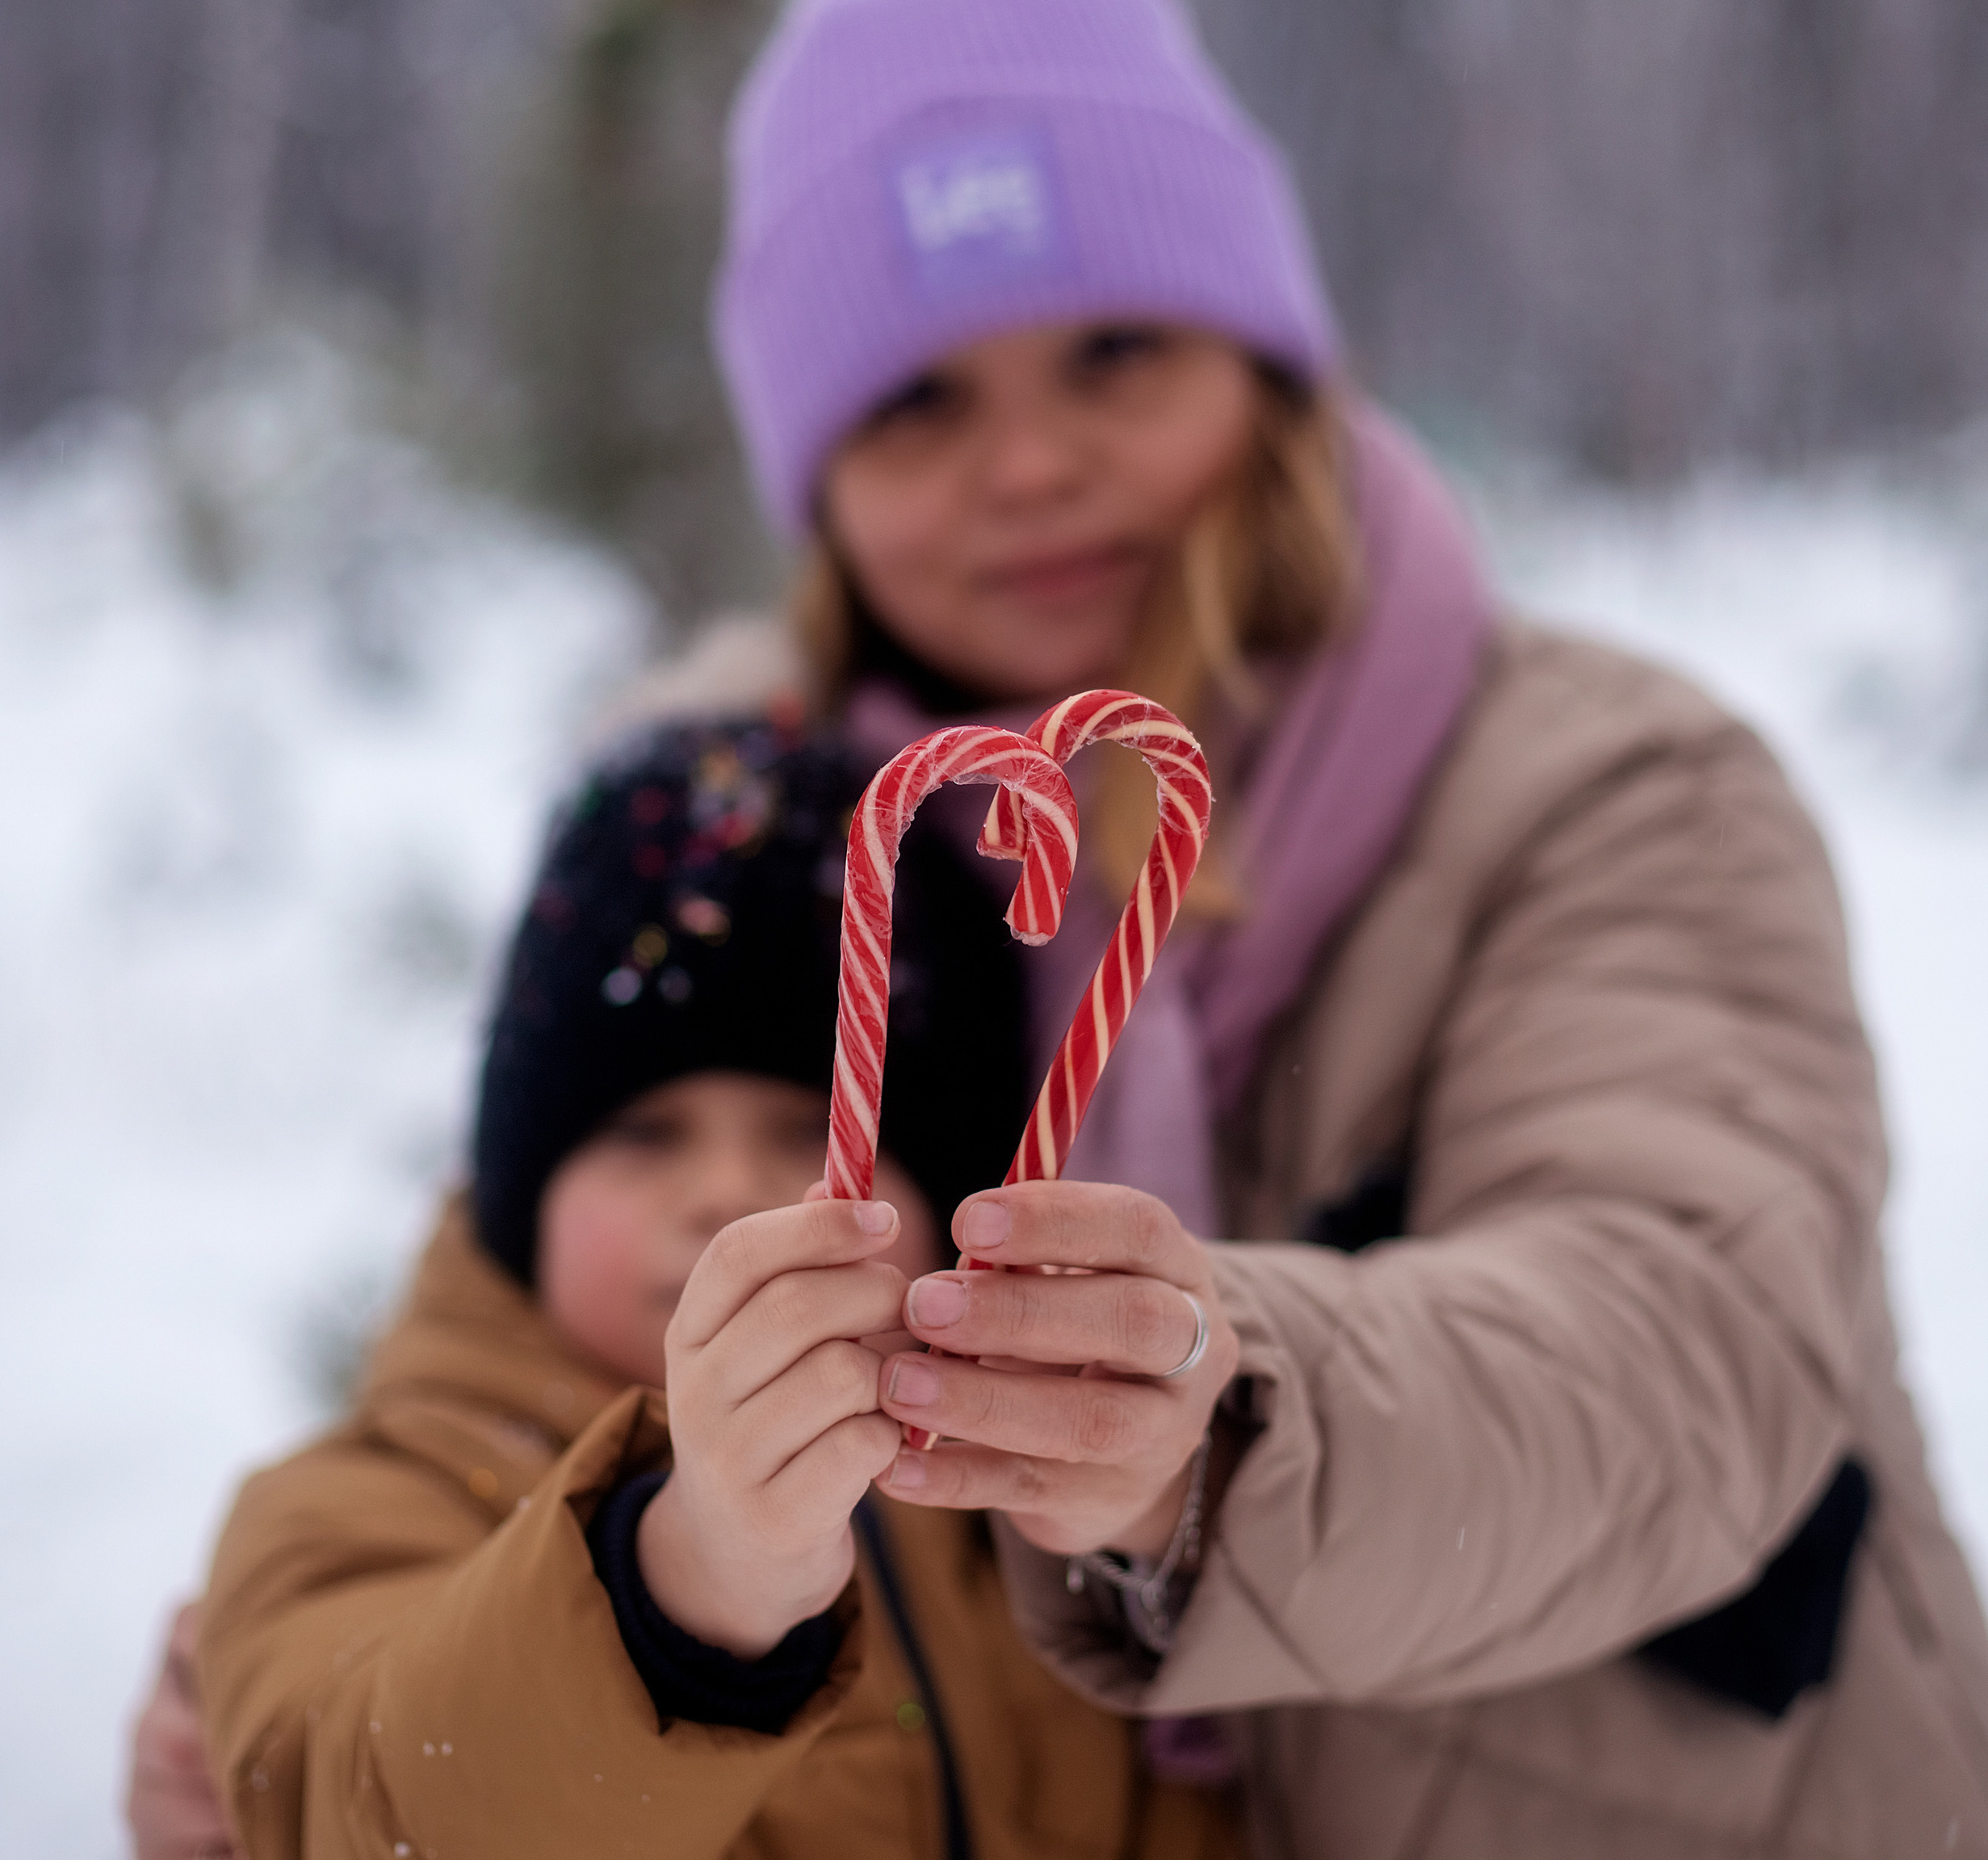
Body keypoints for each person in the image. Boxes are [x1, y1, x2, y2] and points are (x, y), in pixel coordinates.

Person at [686, 0, 1988, 1858]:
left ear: (1266, 364)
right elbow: (504, 1352)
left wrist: (1207, 1421)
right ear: (811, 481)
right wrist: (328, 1699)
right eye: (916, 399)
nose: (1028, 463)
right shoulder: (737, 843)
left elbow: (1684, 1347)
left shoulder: (1606, 792)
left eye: (1114, 351)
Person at [166, 715, 1241, 1858]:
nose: (728, 1188)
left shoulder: (1034, 1529)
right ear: (520, 1197)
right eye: (644, 1133)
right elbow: (361, 1801)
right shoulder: (358, 1501)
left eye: (808, 1124)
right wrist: (692, 1580)